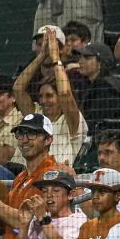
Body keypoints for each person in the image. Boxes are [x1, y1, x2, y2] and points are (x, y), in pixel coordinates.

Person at [13, 31, 88, 167]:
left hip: (56, 180)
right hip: (24, 176)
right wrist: (41, 56)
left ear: (59, 99)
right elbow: (18, 89)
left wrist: (55, 57)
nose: (43, 100)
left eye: (49, 96)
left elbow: (65, 93)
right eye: (41, 96)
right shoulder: (37, 115)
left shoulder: (72, 120)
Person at [0, 113, 59, 239]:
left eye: (31, 133)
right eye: (20, 133)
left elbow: (25, 221)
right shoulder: (20, 178)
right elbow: (9, 221)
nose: (24, 140)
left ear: (48, 139)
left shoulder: (51, 176)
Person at [23, 170, 87, 239]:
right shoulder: (40, 219)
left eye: (56, 190)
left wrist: (42, 217)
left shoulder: (79, 219)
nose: (49, 195)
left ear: (70, 195)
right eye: (44, 191)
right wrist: (24, 224)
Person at [73, 42, 120, 127]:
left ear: (100, 62)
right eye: (81, 57)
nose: (80, 61)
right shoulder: (92, 85)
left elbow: (103, 122)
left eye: (87, 57)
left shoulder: (107, 88)